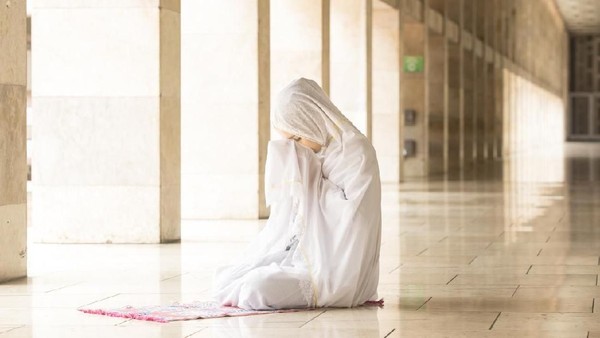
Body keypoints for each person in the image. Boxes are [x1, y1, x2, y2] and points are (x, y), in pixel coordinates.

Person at [214, 78, 382, 310]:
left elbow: (355, 220)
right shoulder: (318, 151)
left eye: (296, 138)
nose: (295, 146)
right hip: (309, 255)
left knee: (255, 288)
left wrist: (310, 181)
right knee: (228, 277)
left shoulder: (355, 152)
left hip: (339, 272)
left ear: (311, 118)